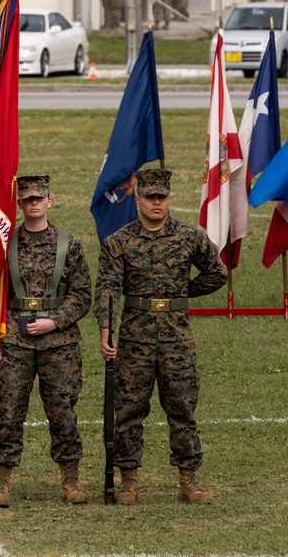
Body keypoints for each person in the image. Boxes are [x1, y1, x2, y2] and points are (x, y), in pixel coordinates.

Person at [94, 169, 227, 506]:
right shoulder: (118, 241)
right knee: (128, 410)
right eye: (150, 196)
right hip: (135, 336)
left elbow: (217, 273)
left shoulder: (188, 237)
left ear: (169, 198)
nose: (156, 202)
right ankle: (128, 481)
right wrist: (105, 330)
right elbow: (108, 288)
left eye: (161, 196)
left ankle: (188, 480)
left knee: (182, 407)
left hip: (176, 337)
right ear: (137, 199)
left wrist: (183, 293)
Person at [0, 175, 92, 508]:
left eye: (39, 198)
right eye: (27, 199)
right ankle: (1, 483)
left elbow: (83, 294)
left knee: (63, 412)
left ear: (49, 201)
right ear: (19, 204)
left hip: (59, 342)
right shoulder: (3, 245)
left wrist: (54, 321)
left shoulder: (68, 245)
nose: (33, 204)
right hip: (13, 340)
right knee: (9, 412)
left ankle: (70, 482)